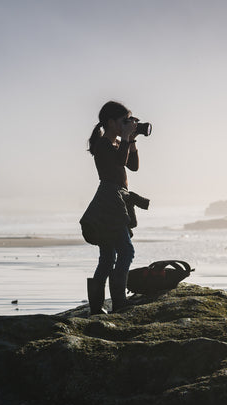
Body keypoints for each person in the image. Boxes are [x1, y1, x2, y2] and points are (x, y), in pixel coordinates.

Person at [80, 100, 149, 315]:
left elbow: (134, 167)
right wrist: (126, 138)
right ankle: (118, 302)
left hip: (115, 199)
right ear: (110, 123)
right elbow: (119, 163)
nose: (128, 124)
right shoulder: (102, 144)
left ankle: (98, 307)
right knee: (125, 251)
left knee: (109, 257)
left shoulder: (118, 144)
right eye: (124, 121)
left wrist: (132, 139)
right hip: (109, 201)